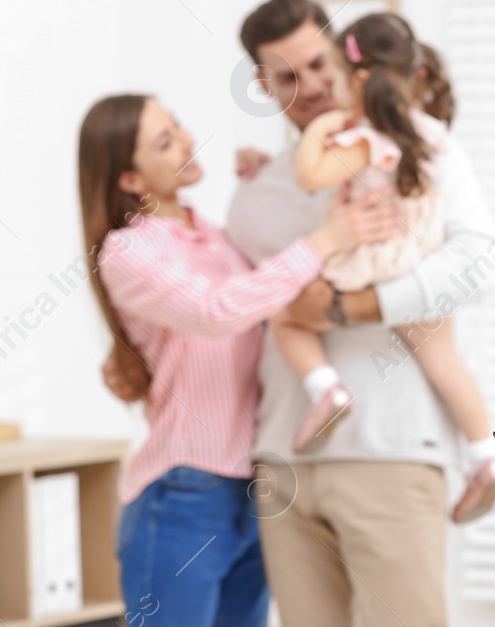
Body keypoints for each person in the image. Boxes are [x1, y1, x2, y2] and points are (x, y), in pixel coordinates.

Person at [78, 93, 395, 627]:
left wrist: (269, 177)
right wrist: (328, 238)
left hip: (254, 488)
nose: (185, 138)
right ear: (130, 180)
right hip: (183, 494)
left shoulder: (216, 237)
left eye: (176, 124)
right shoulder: (128, 252)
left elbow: (273, 288)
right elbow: (219, 309)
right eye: (163, 141)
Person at [272, 12, 495, 524]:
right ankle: (484, 455)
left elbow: (311, 176)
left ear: (357, 81)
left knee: (288, 316)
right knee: (444, 359)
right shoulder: (430, 133)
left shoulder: (364, 139)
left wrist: (321, 128)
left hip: (375, 259)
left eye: (328, 75)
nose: (323, 90)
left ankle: (326, 390)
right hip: (415, 260)